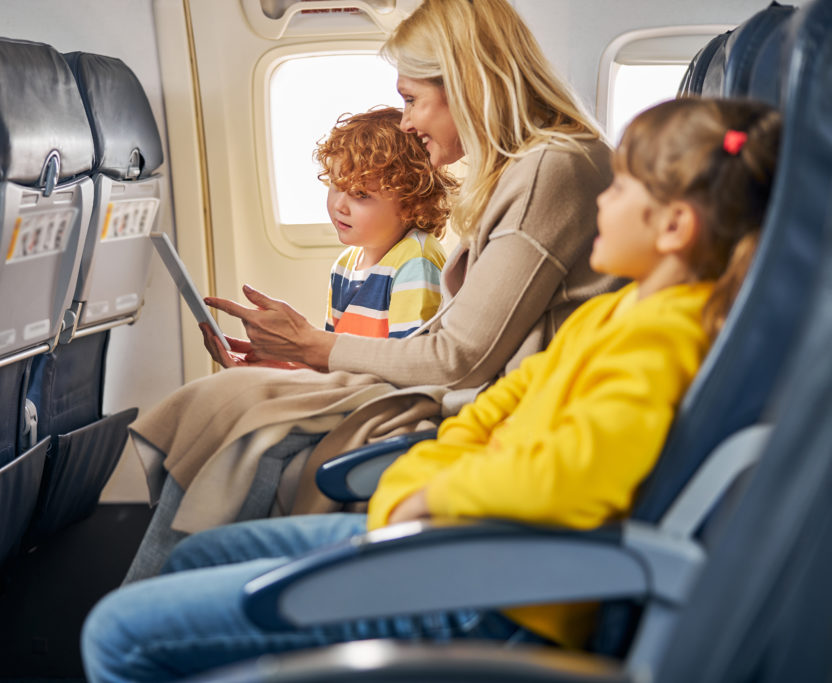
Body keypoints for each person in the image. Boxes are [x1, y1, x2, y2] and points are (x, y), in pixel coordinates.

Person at [82, 96, 784, 682]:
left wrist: (430, 496)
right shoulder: (611, 310)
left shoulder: (665, 335)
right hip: (461, 533)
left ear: (674, 225)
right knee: (196, 554)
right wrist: (415, 489)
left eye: (621, 188)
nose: (602, 196)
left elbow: (575, 477)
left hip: (498, 583)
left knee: (118, 632)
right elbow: (494, 416)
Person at [121, 0, 618, 584]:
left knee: (247, 412)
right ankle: (174, 593)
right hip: (469, 391)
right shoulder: (526, 170)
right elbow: (459, 341)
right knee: (233, 393)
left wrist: (316, 349)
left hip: (487, 412)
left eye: (412, 99)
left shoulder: (550, 170)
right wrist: (297, 353)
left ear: (467, 82)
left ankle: (164, 605)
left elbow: (459, 360)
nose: (406, 121)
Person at [319, 107, 455, 340]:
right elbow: (329, 351)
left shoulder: (415, 261)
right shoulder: (344, 265)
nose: (339, 205)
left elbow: (407, 360)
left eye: (360, 194)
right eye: (336, 186)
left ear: (409, 202)